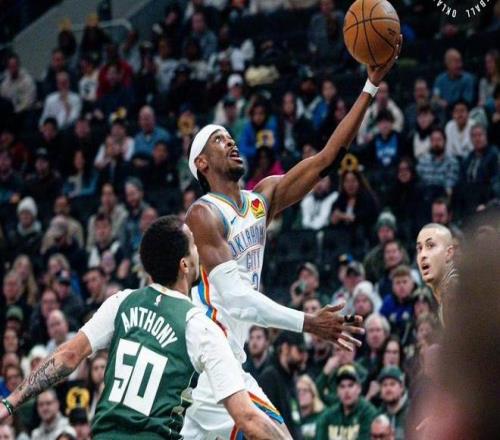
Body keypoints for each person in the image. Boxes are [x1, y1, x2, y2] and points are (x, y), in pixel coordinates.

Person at [181, 40, 401, 438]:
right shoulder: (204, 213)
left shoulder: (261, 199)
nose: (231, 142)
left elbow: (326, 159)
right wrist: (308, 322)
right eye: (219, 139)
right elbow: (237, 299)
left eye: (231, 137)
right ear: (201, 163)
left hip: (224, 360)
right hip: (208, 354)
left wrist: (370, 86)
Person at [0, 216, 289, 439]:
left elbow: (67, 356)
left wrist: (10, 403)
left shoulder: (121, 302)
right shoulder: (199, 327)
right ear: (185, 265)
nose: (198, 249)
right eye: (193, 244)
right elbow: (247, 418)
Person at [260, 332, 306, 439]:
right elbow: (267, 423)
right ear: (285, 348)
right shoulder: (270, 378)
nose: (303, 356)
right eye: (300, 350)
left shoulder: (290, 378)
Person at [316, 364, 378, 440]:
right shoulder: (328, 416)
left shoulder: (369, 413)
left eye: (350, 385)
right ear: (337, 391)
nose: (346, 391)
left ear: (359, 388)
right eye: (342, 386)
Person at [416, 223, 458, 326]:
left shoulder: (457, 290)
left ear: (448, 253)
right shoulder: (445, 292)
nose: (423, 255)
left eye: (430, 246)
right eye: (419, 248)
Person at [417, 127, 460, 201]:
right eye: (433, 140)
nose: (436, 143)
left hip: (442, 200)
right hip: (424, 198)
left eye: (439, 139)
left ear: (445, 141)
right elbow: (418, 182)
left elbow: (449, 188)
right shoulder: (423, 161)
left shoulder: (452, 162)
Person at [377, 366, 410, 440]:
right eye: (384, 385)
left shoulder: (413, 413)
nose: (388, 389)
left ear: (401, 387)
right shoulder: (379, 415)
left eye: (392, 384)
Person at [296, 375, 325, 440]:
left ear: (313, 394)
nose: (301, 393)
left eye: (305, 390)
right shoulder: (293, 417)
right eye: (298, 391)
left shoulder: (323, 416)